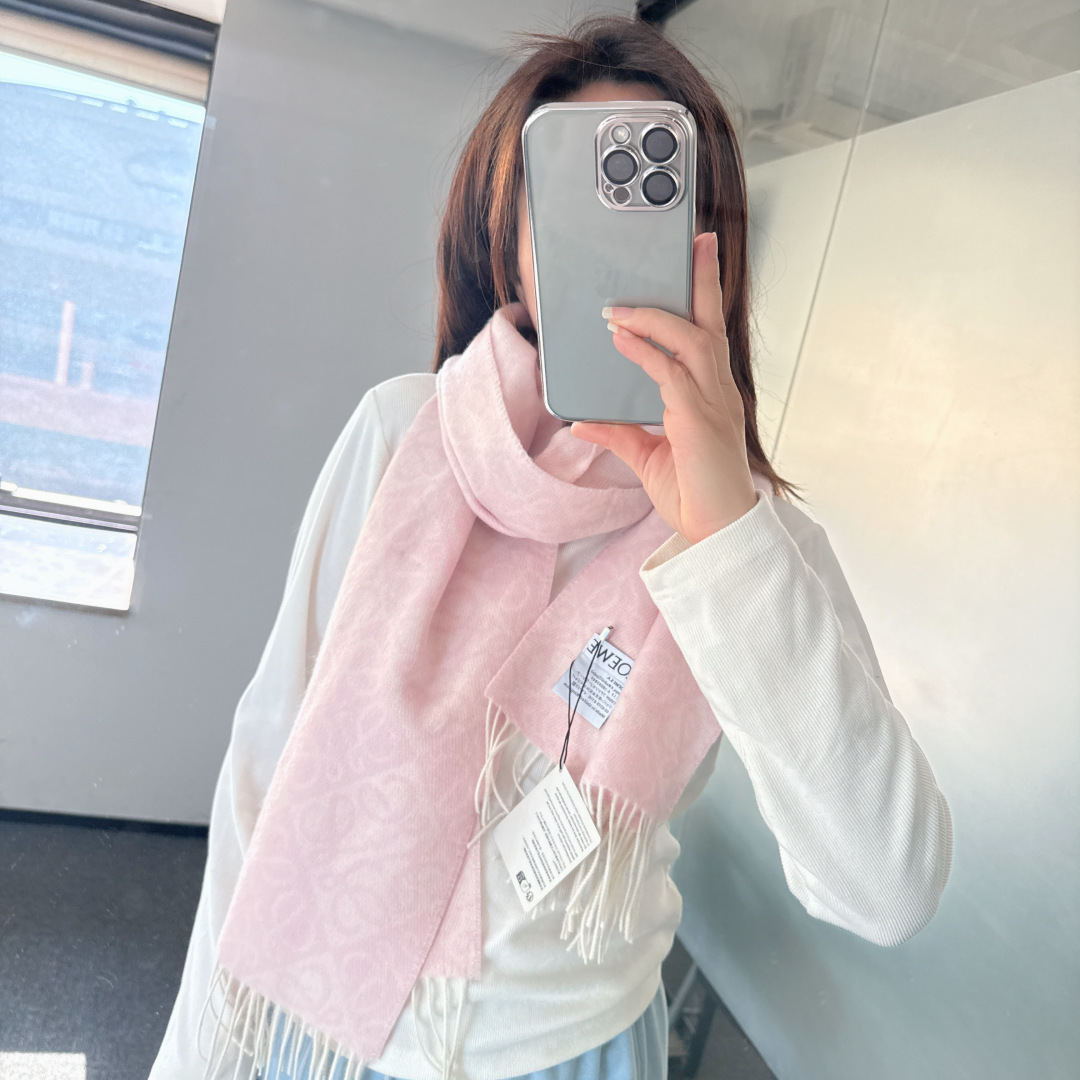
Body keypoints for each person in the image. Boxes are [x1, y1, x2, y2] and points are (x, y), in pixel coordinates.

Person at [148, 15, 952, 1080]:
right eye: (573, 204)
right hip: (329, 1028)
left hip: (575, 1052)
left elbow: (887, 890)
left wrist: (725, 534)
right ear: (508, 246)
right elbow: (270, 755)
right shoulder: (401, 432)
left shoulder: (758, 544)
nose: (609, 249)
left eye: (652, 205)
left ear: (712, 255)